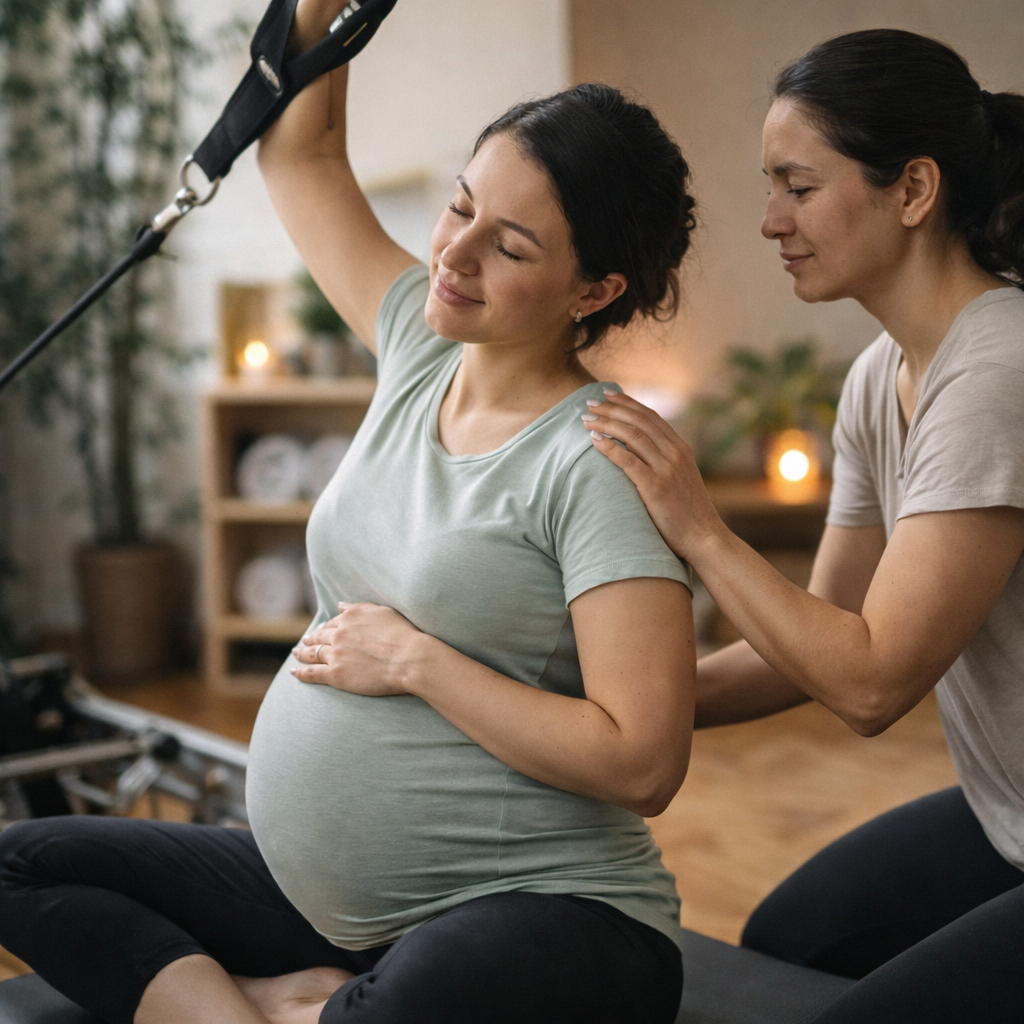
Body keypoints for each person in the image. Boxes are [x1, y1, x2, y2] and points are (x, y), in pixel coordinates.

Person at [0, 3, 697, 1023]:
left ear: (593, 287)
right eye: (460, 207)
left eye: (507, 245)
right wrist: (321, 10)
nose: (454, 256)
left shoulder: (597, 458)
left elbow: (642, 758)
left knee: (417, 995)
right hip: (333, 911)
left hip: (553, 916)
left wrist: (414, 659)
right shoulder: (422, 342)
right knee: (21, 863)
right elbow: (304, 158)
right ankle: (260, 1011)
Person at [583, 28, 1024, 1024]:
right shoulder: (881, 377)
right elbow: (811, 637)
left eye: (798, 185)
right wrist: (609, 699)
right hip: (1005, 817)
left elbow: (868, 681)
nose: (770, 220)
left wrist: (699, 528)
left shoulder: (999, 370)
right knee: (796, 937)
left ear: (912, 191)